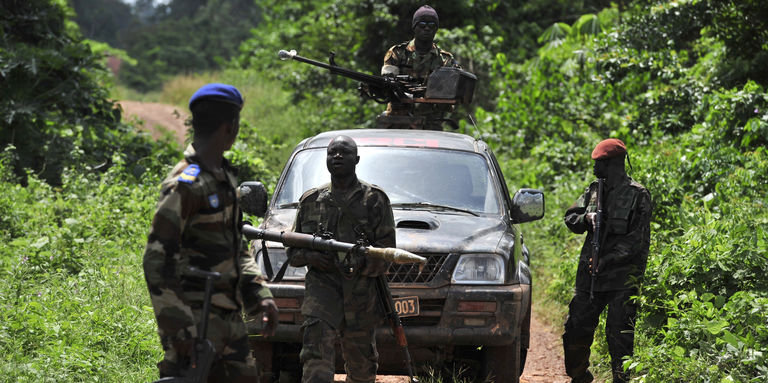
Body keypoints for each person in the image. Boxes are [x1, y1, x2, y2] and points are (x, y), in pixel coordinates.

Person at [143, 83, 279, 383]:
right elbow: (156, 260)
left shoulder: (223, 177)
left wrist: (259, 293)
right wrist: (180, 329)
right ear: (231, 127)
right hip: (195, 326)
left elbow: (236, 246)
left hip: (229, 321)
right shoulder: (186, 184)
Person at [287, 135, 396, 383]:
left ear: (356, 159)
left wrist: (357, 263)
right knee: (315, 355)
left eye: (344, 153)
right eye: (332, 153)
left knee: (362, 367)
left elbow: (386, 253)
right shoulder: (311, 201)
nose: (337, 157)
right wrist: (314, 257)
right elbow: (293, 253)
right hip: (322, 292)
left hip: (361, 295)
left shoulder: (375, 200)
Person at [562, 138, 652, 383]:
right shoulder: (594, 190)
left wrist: (608, 260)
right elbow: (570, 217)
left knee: (619, 337)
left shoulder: (638, 195)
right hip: (590, 274)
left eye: (599, 163)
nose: (594, 168)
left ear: (614, 164)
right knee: (575, 330)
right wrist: (586, 219)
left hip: (622, 279)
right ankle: (579, 376)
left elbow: (636, 241)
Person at [378, 5, 461, 130]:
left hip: (431, 124)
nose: (426, 28)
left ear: (436, 29)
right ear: (414, 27)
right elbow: (387, 84)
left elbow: (455, 91)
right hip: (398, 123)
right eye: (422, 24)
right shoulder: (397, 53)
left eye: (431, 25)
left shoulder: (445, 59)